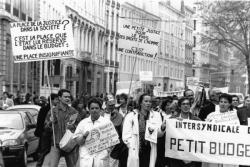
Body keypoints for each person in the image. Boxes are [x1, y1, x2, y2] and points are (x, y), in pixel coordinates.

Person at [122, 93, 165, 167]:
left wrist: (162, 128)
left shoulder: (156, 115)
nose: (148, 103)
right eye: (146, 101)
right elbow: (126, 135)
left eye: (150, 101)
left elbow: (159, 134)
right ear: (140, 103)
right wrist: (131, 145)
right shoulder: (131, 116)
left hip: (150, 148)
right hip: (136, 148)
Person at [203, 93, 240, 167]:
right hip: (213, 148)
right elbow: (204, 131)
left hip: (227, 149)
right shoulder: (211, 116)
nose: (223, 104)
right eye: (221, 102)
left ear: (229, 104)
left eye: (225, 102)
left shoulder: (234, 116)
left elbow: (237, 133)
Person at [45, 89, 79, 167]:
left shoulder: (73, 111)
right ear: (60, 98)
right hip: (56, 144)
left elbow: (79, 128)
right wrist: (50, 122)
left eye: (69, 97)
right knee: (52, 165)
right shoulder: (53, 111)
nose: (68, 98)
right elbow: (46, 129)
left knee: (73, 165)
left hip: (69, 144)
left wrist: (73, 127)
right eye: (65, 97)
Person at [73, 98, 112, 167]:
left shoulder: (107, 122)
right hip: (86, 158)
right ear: (88, 109)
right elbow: (78, 142)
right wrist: (84, 136)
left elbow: (112, 140)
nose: (94, 110)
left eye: (97, 108)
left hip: (101, 158)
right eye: (92, 108)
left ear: (100, 109)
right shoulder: (83, 123)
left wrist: (107, 151)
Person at [168, 97, 201, 167]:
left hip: (192, 156)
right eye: (183, 104)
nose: (186, 106)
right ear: (179, 106)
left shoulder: (197, 121)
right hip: (176, 157)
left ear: (190, 106)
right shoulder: (172, 119)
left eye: (188, 104)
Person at [35, 93, 59, 167]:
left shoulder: (56, 109)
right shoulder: (45, 109)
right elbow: (40, 121)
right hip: (45, 133)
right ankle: (39, 165)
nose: (57, 101)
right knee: (44, 151)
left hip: (53, 134)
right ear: (51, 100)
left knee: (51, 151)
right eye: (56, 99)